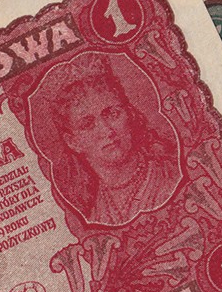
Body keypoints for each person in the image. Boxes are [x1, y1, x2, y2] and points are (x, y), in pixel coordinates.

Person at [37, 58, 180, 226]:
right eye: (88, 124)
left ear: (129, 114)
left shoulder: (171, 177)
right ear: (73, 142)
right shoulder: (93, 215)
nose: (107, 130)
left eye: (113, 114)